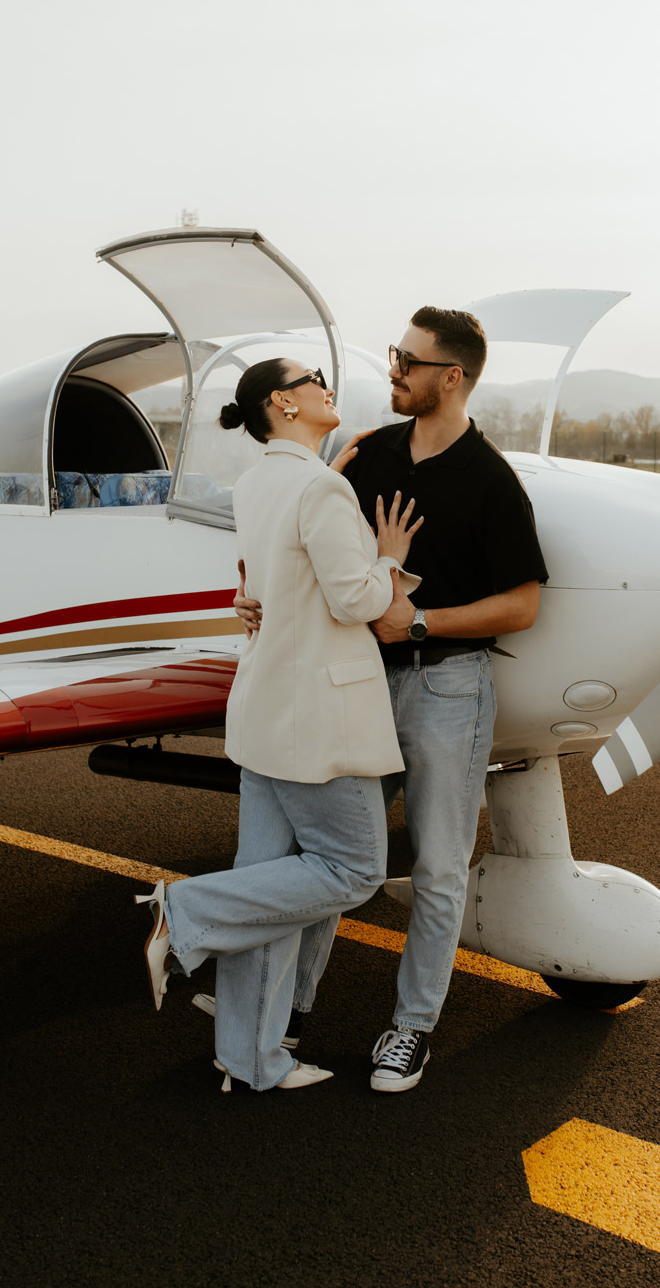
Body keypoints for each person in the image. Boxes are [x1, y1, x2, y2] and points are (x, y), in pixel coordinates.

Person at [236, 309, 548, 1092]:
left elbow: (522, 604)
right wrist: (255, 593)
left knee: (439, 867)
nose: (392, 369)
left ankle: (411, 1028)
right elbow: (303, 545)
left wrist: (420, 618)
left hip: (448, 686)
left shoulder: (492, 481)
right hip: (362, 685)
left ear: (452, 376)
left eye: (407, 359)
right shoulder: (364, 455)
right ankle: (291, 1010)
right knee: (334, 859)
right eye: (393, 354)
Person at [135, 356, 422, 1093]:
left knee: (269, 885)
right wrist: (390, 558)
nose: (327, 383)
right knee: (354, 869)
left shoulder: (261, 479)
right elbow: (358, 601)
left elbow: (263, 576)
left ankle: (250, 1058)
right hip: (319, 721)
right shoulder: (321, 487)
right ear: (281, 402)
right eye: (312, 376)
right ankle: (185, 908)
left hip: (265, 709)